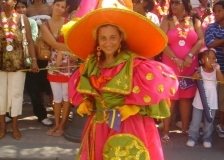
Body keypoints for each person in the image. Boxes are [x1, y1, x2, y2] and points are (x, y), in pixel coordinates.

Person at [66, 8, 178, 159]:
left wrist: (133, 106)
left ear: (120, 38)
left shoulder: (135, 64)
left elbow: (157, 90)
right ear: (97, 40)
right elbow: (89, 90)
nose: (108, 43)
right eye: (103, 38)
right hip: (99, 126)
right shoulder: (91, 63)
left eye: (112, 37)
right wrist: (87, 101)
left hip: (128, 126)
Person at [0, 0, 39, 140]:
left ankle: (15, 126)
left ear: (14, 2)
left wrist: (34, 61)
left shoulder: (23, 19)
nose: (2, 1)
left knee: (15, 94)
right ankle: (2, 125)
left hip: (18, 64)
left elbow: (30, 41)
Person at [160, 0, 204, 142]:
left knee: (186, 98)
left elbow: (201, 40)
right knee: (170, 99)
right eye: (172, 3)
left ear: (185, 4)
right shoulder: (166, 20)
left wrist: (190, 56)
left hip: (189, 64)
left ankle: (185, 128)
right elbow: (161, 41)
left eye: (177, 3)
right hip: (170, 64)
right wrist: (175, 58)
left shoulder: (194, 19)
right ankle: (166, 131)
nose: (173, 5)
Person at [40, 0, 76, 137]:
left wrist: (76, 50)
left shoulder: (69, 23)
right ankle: (56, 123)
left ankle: (63, 124)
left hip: (68, 65)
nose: (60, 8)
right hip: (54, 65)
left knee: (66, 97)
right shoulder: (44, 25)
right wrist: (74, 49)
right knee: (57, 97)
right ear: (52, 6)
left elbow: (76, 41)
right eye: (57, 5)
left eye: (63, 6)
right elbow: (55, 44)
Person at [15, 0, 53, 126]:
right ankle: (9, 114)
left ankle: (41, 115)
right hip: (13, 62)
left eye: (22, 7)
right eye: (18, 8)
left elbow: (33, 40)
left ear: (26, 9)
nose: (20, 10)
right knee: (14, 89)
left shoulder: (31, 22)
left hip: (30, 59)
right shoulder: (11, 22)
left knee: (33, 89)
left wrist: (33, 60)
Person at [186, 48, 223, 148]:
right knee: (196, 121)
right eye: (208, 58)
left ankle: (207, 138)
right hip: (199, 100)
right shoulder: (199, 69)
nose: (212, 60)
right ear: (202, 60)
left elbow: (222, 81)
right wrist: (195, 76)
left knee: (209, 121)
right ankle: (193, 137)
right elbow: (193, 79)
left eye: (214, 58)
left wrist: (218, 70)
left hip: (212, 101)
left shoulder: (216, 70)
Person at [27, 0, 54, 107]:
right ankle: (41, 100)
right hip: (33, 45)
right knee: (37, 74)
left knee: (49, 73)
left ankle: (52, 101)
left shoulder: (49, 8)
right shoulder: (28, 9)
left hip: (48, 44)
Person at [205, 0, 224, 138]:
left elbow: (215, 42)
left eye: (219, 11)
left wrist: (220, 39)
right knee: (210, 98)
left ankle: (221, 125)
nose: (216, 14)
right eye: (215, 11)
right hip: (211, 70)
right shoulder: (211, 27)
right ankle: (207, 125)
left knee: (223, 99)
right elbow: (210, 42)